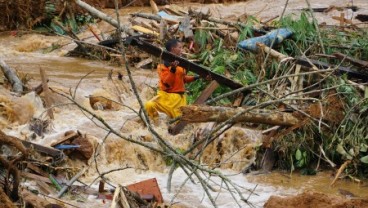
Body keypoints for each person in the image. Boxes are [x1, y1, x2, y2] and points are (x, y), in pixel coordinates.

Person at [144, 39, 200, 123]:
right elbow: (167, 83)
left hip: (178, 99)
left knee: (179, 123)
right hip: (165, 96)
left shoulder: (181, 64)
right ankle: (156, 123)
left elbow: (183, 79)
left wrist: (196, 77)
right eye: (180, 47)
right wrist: (173, 69)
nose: (182, 50)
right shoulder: (162, 66)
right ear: (173, 49)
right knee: (149, 105)